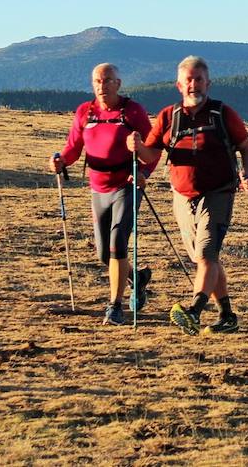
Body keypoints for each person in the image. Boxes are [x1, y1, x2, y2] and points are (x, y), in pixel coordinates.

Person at [129, 56, 248, 336]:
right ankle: (227, 315)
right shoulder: (168, 117)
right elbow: (152, 153)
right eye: (189, 79)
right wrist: (138, 148)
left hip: (219, 192)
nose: (194, 84)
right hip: (182, 196)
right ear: (179, 84)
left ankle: (194, 311)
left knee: (207, 253)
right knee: (203, 259)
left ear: (208, 83)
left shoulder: (223, 114)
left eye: (199, 79)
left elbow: (246, 146)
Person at [51, 63, 155, 326]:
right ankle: (137, 278)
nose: (102, 85)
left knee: (118, 241)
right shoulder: (85, 113)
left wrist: (143, 172)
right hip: (98, 188)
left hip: (126, 185)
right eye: (98, 80)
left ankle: (115, 306)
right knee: (104, 255)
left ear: (118, 83)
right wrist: (60, 161)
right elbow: (73, 148)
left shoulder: (132, 111)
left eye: (108, 80)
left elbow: (152, 148)